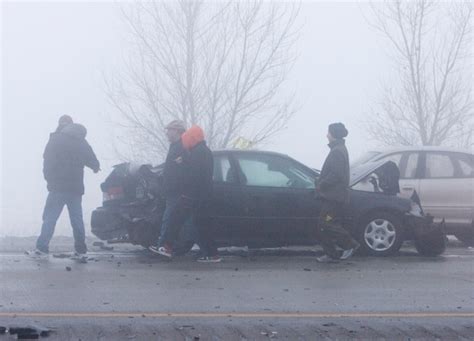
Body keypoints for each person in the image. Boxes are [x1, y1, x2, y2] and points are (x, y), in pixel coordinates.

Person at [30, 119, 100, 258]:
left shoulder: (55, 139)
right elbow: (92, 159)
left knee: (50, 217)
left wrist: (49, 180)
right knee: (77, 219)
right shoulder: (81, 141)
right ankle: (80, 250)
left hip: (57, 187)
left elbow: (47, 162)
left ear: (61, 125)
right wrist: (95, 167)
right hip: (75, 188)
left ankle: (42, 248)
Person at [148, 120, 193, 258]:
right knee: (174, 219)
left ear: (178, 131)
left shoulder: (181, 148)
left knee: (170, 219)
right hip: (172, 191)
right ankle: (164, 245)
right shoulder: (174, 146)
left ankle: (164, 246)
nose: (167, 133)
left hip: (176, 192)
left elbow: (183, 171)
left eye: (169, 130)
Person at [315, 122, 359, 263]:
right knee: (325, 224)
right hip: (335, 196)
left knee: (325, 223)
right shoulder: (339, 149)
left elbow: (336, 174)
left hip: (334, 198)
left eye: (328, 132)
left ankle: (350, 245)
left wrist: (321, 184)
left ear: (333, 134)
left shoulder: (337, 152)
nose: (326, 135)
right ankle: (332, 254)